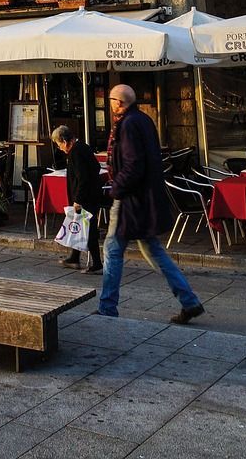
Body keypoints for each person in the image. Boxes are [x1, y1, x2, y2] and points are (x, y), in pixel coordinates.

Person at [98, 83, 204, 324]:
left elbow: (133, 164)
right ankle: (190, 302)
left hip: (130, 202)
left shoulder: (129, 124)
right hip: (144, 201)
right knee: (153, 251)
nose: (110, 104)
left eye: (112, 100)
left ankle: (107, 307)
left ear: (119, 102)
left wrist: (116, 188)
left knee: (112, 252)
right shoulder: (143, 120)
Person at [51, 124, 103, 273]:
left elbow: (83, 178)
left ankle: (97, 263)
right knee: (78, 226)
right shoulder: (83, 147)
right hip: (91, 194)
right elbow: (96, 168)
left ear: (65, 141)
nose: (59, 148)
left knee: (89, 229)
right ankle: (74, 257)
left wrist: (78, 199)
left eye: (59, 144)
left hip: (86, 197)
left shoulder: (76, 152)